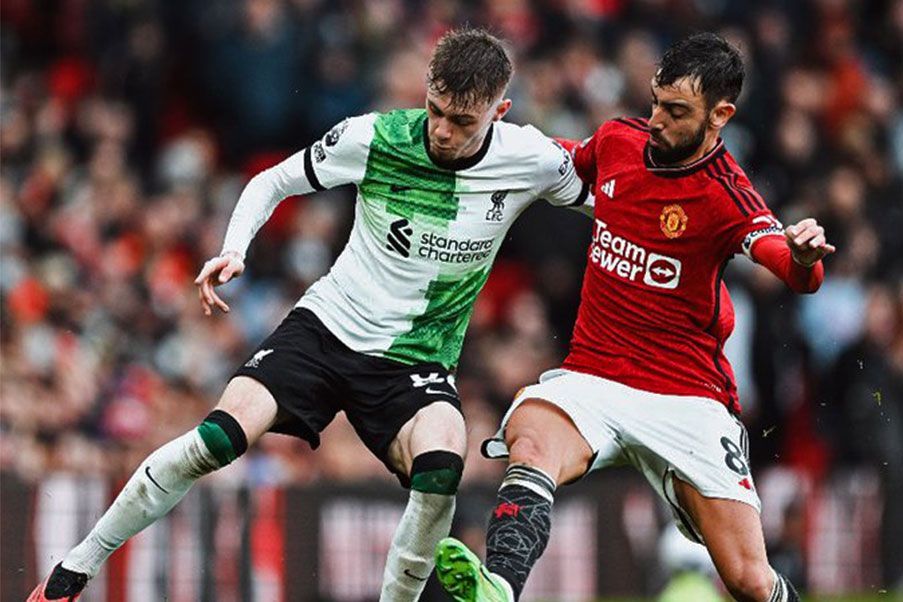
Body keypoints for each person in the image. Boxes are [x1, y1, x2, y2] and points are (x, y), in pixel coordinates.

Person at [28, 28, 592, 602]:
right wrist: (235, 248)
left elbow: (620, 198)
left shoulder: (531, 159)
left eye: (463, 122)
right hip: (327, 329)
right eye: (436, 110)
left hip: (415, 362)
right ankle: (72, 571)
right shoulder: (373, 138)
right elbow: (272, 181)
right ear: (426, 90)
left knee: (444, 465)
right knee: (217, 439)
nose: (444, 131)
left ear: (501, 110)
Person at [434, 33, 834, 602]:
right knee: (531, 437)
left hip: (687, 398)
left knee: (747, 578)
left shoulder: (727, 195)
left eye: (676, 112)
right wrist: (487, 139)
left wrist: (802, 256)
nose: (658, 121)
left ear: (720, 116)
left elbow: (792, 269)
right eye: (655, 102)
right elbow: (562, 161)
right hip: (593, 378)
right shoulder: (619, 141)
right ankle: (499, 584)